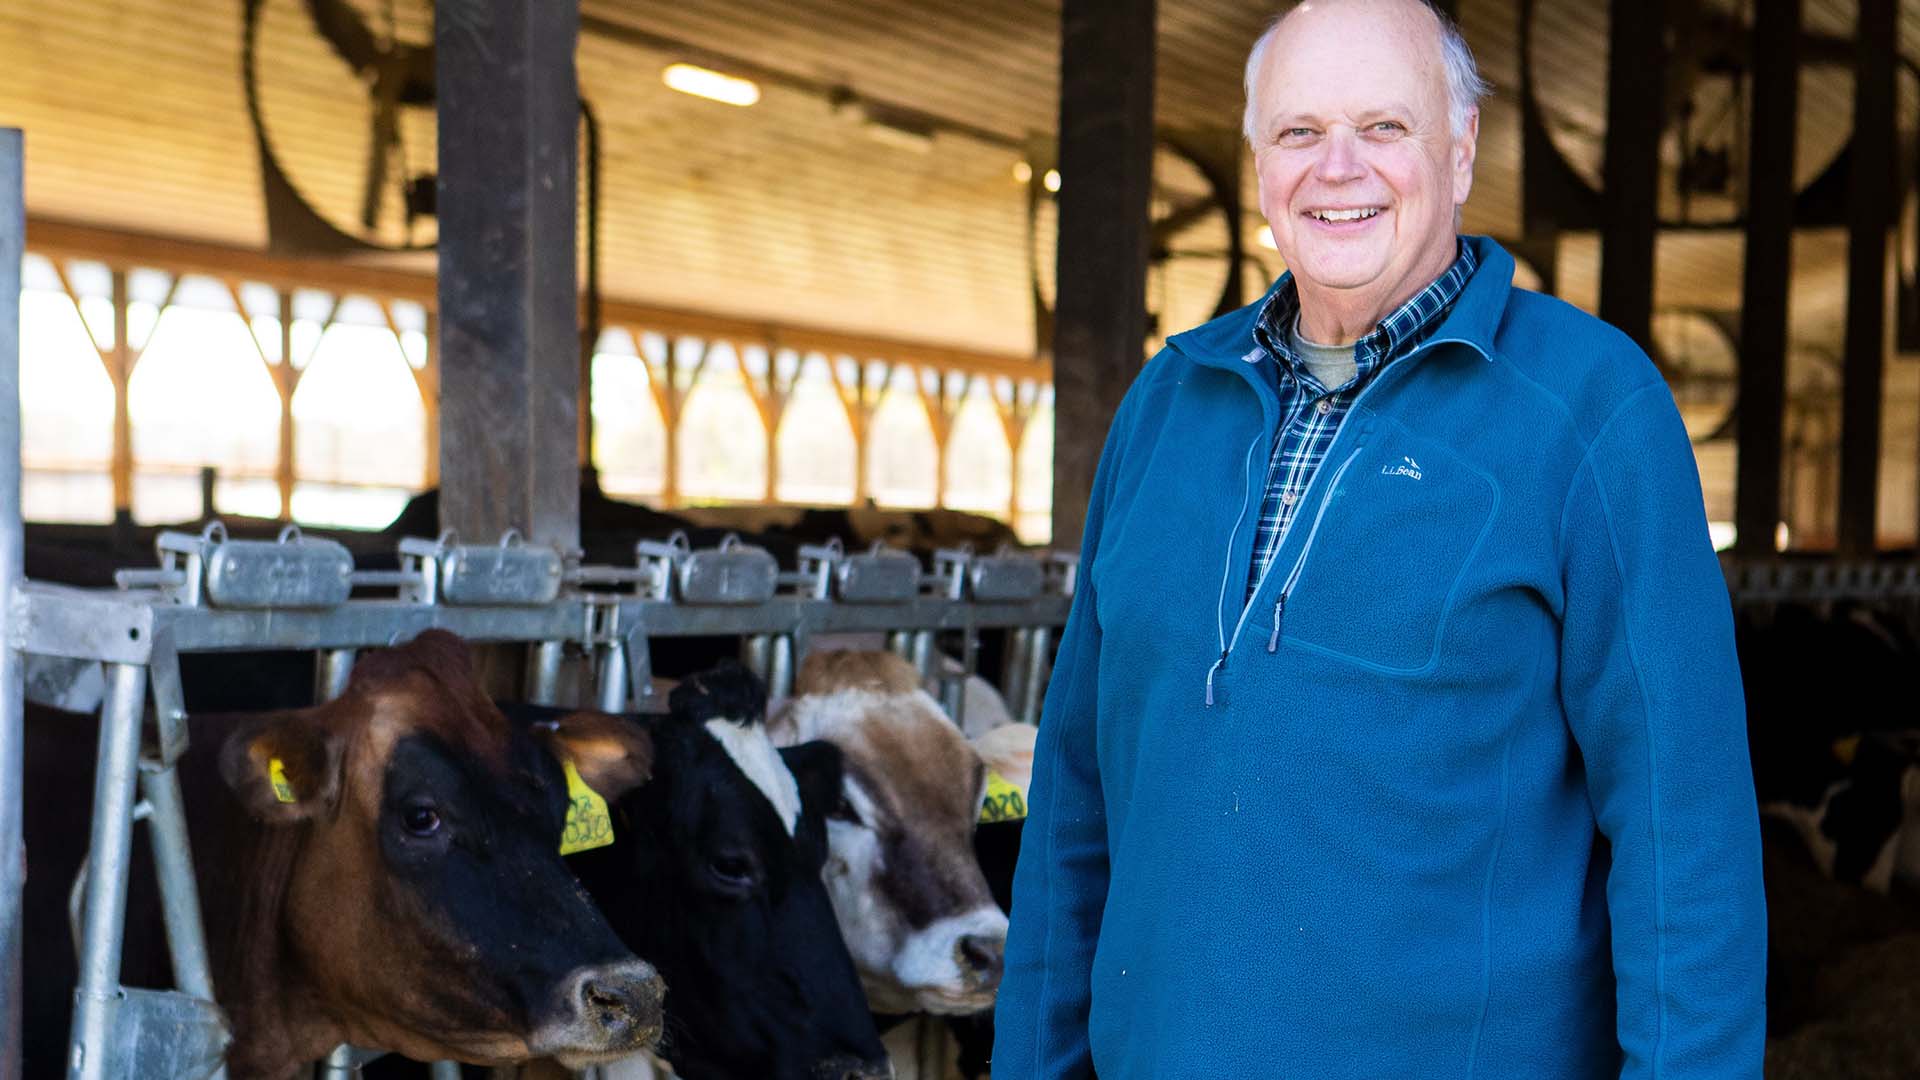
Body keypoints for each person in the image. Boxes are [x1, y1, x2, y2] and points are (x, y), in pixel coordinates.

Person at [992, 1, 1767, 1077]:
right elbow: (1073, 798)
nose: (1337, 167)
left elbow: (1686, 837)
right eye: (1299, 132)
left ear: (1460, 149)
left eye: (1385, 128)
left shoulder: (1591, 408)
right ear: (1257, 165)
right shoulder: (1164, 406)